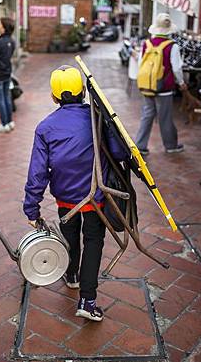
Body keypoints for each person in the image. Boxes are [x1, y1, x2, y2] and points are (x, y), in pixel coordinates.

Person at [23, 66, 126, 322]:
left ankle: (71, 276)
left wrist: (32, 209)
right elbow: (121, 154)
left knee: (69, 237)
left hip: (65, 200)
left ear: (54, 97)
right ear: (82, 92)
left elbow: (37, 173)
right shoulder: (96, 119)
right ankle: (87, 301)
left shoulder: (45, 127)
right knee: (93, 242)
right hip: (96, 198)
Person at [134, 13, 187, 155]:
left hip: (147, 86)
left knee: (147, 115)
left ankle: (140, 145)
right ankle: (171, 146)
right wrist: (181, 82)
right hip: (164, 88)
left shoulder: (146, 43)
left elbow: (140, 64)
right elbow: (176, 68)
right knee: (165, 117)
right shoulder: (172, 46)